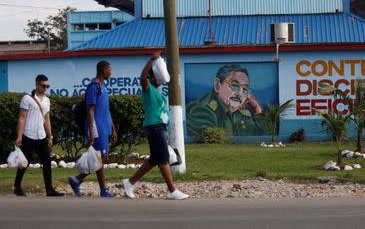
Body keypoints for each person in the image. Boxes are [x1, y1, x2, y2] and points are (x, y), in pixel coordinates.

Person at [122, 52, 188, 200]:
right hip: (154, 126)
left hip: (160, 127)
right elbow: (142, 78)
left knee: (154, 159)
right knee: (163, 159)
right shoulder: (148, 89)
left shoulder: (158, 90)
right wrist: (152, 60)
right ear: (153, 76)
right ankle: (172, 190)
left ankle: (129, 182)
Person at [68, 60, 117, 197]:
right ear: (102, 70)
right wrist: (91, 131)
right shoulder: (93, 87)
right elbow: (90, 110)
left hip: (105, 127)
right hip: (96, 127)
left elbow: (106, 110)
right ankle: (102, 190)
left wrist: (113, 128)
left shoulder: (104, 87)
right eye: (109, 69)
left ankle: (76, 180)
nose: (111, 72)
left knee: (102, 158)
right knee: (100, 157)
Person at [13, 74, 64, 197]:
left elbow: (47, 119)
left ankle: (49, 190)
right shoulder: (27, 98)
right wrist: (19, 137)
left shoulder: (47, 100)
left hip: (41, 136)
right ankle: (17, 187)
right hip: (28, 136)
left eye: (47, 86)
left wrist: (50, 136)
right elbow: (22, 118)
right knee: (25, 162)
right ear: (37, 85)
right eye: (43, 86)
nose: (45, 88)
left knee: (47, 162)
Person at [186, 64, 266, 137]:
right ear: (217, 85)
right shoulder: (200, 110)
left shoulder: (242, 114)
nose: (239, 94)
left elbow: (265, 135)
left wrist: (257, 107)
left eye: (245, 89)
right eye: (234, 86)